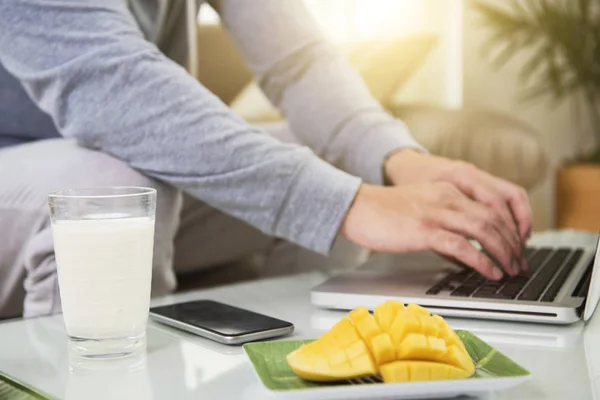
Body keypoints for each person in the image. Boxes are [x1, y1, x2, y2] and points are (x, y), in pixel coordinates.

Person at [0, 0, 531, 320]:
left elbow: (296, 61)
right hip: (23, 168)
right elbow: (109, 85)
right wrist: (347, 204)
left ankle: (298, 373)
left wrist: (399, 160)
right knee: (115, 192)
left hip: (114, 164)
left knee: (336, 171)